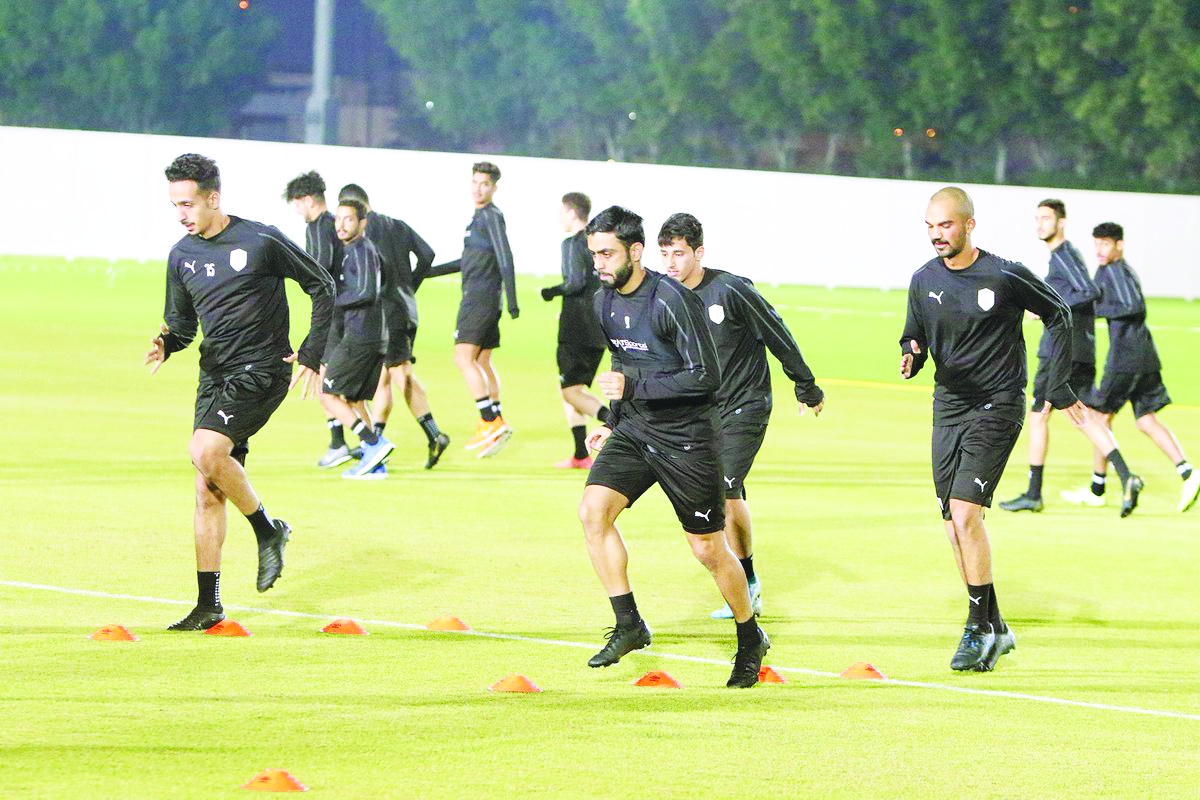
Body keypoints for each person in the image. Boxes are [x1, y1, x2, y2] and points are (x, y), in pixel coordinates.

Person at [578, 205, 770, 688]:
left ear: (635, 252)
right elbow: (623, 366)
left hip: (687, 439)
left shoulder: (671, 301)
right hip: (636, 431)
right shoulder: (603, 302)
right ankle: (629, 624)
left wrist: (634, 390)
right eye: (594, 254)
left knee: (707, 549)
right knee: (593, 512)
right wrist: (612, 421)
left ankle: (750, 637)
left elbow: (706, 376)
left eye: (607, 253)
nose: (598, 263)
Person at [900, 187, 1088, 671]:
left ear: (969, 225)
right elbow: (914, 334)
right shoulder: (922, 279)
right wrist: (912, 353)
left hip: (998, 404)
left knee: (966, 513)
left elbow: (1060, 313)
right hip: (949, 406)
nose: (936, 234)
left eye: (945, 225)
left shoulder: (1004, 274)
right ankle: (996, 625)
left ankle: (978, 629)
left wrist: (1058, 383)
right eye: (930, 226)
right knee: (953, 523)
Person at [145, 153, 335, 630]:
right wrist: (168, 343)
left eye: (187, 204)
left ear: (213, 198)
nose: (180, 214)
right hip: (214, 376)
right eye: (174, 205)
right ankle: (208, 606)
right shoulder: (181, 255)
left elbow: (322, 285)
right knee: (208, 487)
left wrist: (312, 353)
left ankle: (268, 530)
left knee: (204, 450)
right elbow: (184, 325)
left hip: (263, 369)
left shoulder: (261, 240)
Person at [657, 213, 824, 621]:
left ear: (699, 252)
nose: (671, 263)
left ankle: (748, 583)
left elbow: (777, 332)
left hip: (746, 404)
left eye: (679, 253)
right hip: (703, 414)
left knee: (726, 490)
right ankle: (746, 581)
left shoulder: (731, 289)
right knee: (723, 497)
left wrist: (805, 384)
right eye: (665, 254)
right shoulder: (665, 298)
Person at [1000, 200, 1143, 515]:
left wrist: (1045, 304)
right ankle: (1126, 475)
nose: (1040, 223)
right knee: (1081, 415)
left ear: (1061, 222)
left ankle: (1033, 494)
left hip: (1061, 350)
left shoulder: (1064, 255)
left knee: (1039, 416)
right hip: (1078, 349)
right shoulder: (1065, 256)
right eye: (1037, 218)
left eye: (1046, 218)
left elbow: (1089, 291)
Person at [1078, 222, 1199, 513]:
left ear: (1119, 245)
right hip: (1144, 355)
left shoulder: (1115, 271)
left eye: (1105, 244)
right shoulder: (1114, 270)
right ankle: (1188, 473)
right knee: (1145, 420)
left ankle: (1097, 489)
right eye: (1097, 243)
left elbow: (1133, 306)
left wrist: (1094, 310)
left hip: (1127, 358)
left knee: (1098, 418)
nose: (1099, 250)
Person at [338, 184, 450, 469]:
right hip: (406, 308)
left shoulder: (364, 234)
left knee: (401, 375)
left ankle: (433, 434)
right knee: (384, 378)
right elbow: (427, 254)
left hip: (387, 313)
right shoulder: (397, 225)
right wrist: (409, 285)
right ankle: (374, 441)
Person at [418, 162, 518, 458]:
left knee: (462, 358)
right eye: (475, 182)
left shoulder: (491, 217)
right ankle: (496, 418)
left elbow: (505, 257)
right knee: (482, 360)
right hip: (486, 299)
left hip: (479, 300)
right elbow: (467, 261)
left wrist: (512, 299)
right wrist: (426, 273)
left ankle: (489, 420)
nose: (478, 188)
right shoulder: (478, 219)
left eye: (484, 184)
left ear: (494, 188)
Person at [283, 170, 355, 468]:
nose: (297, 210)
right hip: (346, 311)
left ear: (309, 200)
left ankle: (350, 443)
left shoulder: (318, 227)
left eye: (297, 203)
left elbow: (321, 269)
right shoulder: (333, 224)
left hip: (334, 314)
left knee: (325, 380)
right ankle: (349, 441)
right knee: (334, 381)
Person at [322, 199, 396, 479]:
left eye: (348, 219)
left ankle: (373, 443)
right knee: (354, 399)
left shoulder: (362, 249)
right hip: (374, 335)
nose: (341, 225)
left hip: (361, 335)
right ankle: (375, 464)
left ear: (362, 223)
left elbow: (367, 291)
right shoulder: (356, 250)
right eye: (338, 219)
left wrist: (331, 300)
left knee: (328, 394)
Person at [540, 191, 610, 468]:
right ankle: (581, 454)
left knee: (570, 391)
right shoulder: (599, 243)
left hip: (576, 327)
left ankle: (616, 422)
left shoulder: (571, 243)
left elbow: (575, 282)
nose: (559, 218)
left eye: (561, 212)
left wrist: (550, 292)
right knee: (572, 389)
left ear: (571, 212)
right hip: (600, 327)